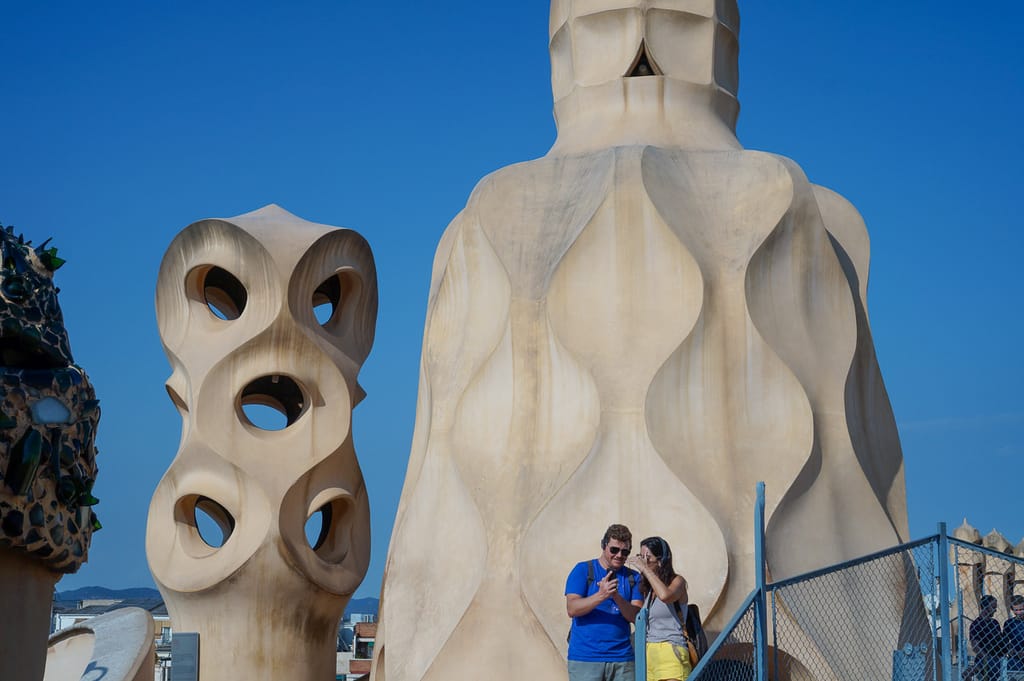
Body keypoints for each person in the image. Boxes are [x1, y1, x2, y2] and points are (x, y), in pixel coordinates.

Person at [565, 524, 644, 681]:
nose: (619, 555)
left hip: (622, 659)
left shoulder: (634, 578)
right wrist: (601, 595)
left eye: (625, 552)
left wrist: (616, 596)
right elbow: (572, 609)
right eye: (614, 550)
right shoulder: (583, 570)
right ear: (603, 545)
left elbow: (636, 617)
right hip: (586, 658)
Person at [625, 537, 691, 681]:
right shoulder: (648, 590)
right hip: (649, 654)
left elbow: (665, 595)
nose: (644, 562)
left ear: (661, 560)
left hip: (670, 651)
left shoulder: (677, 581)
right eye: (640, 557)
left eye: (647, 558)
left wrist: (645, 569)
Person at [969, 595, 1004, 681]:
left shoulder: (995, 623)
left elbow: (1000, 642)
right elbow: (975, 646)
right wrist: (986, 658)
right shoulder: (976, 624)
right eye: (993, 607)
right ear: (985, 607)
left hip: (997, 658)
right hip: (985, 659)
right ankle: (971, 671)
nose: (995, 610)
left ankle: (971, 671)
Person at [1004, 594, 1024, 674]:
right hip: (1015, 657)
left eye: (1021, 609)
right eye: (1016, 610)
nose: (1018, 613)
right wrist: (1010, 650)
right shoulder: (1009, 623)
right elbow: (1004, 641)